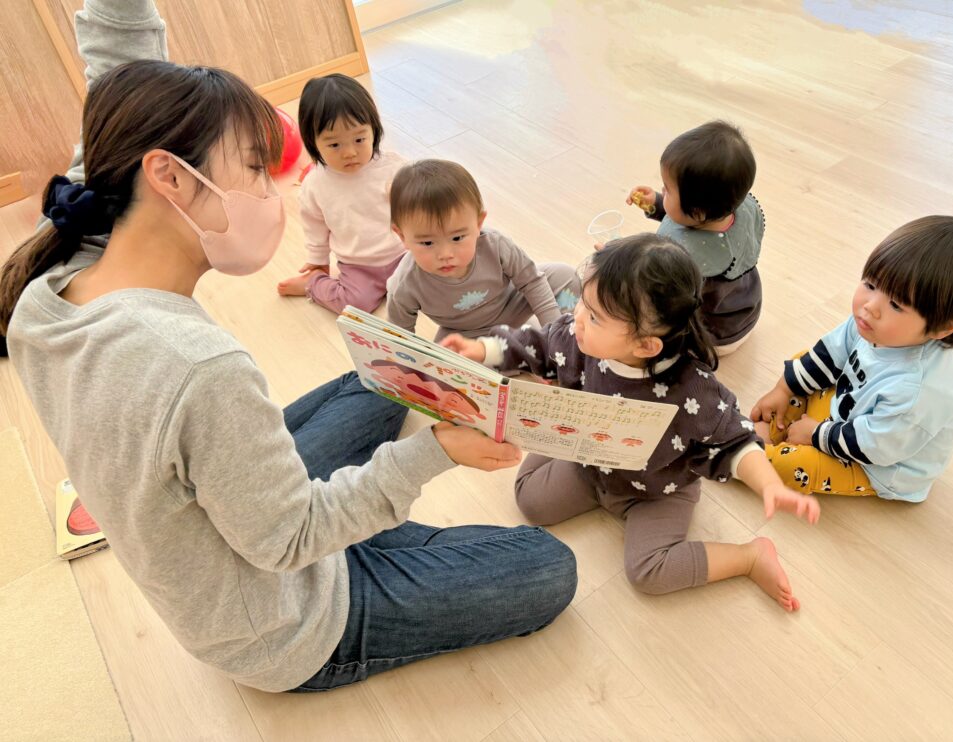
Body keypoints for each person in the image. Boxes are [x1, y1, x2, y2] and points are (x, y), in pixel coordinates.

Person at [0, 0, 575, 693]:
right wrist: (437, 452)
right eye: (253, 167)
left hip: (235, 525)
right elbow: (290, 540)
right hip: (284, 621)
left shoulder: (70, 249)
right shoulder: (196, 367)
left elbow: (116, 71)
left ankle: (363, 515)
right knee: (548, 566)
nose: (271, 188)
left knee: (379, 379)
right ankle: (369, 531)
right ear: (170, 176)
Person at [444, 235, 820, 611]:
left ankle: (749, 557)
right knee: (530, 501)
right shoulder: (577, 338)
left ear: (645, 346)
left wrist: (769, 484)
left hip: (658, 490)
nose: (577, 318)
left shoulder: (692, 392)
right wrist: (481, 350)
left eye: (594, 317)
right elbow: (536, 344)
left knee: (648, 573)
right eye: (583, 302)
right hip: (591, 463)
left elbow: (734, 441)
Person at [750, 216, 953, 502]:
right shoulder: (873, 323)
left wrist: (816, 435)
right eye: (871, 284)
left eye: (895, 304)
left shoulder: (918, 391)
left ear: (944, 327)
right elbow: (830, 353)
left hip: (875, 463)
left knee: (792, 467)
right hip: (853, 414)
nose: (870, 306)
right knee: (807, 364)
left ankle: (755, 452)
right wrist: (783, 389)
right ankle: (784, 425)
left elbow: (873, 447)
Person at [386, 159, 579, 340]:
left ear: (479, 223)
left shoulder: (495, 244)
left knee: (564, 276)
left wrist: (554, 335)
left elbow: (532, 282)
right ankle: (516, 347)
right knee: (446, 359)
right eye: (427, 243)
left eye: (457, 238)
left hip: (512, 304)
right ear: (402, 236)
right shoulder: (404, 284)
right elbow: (400, 336)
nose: (445, 254)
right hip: (465, 333)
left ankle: (558, 338)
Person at [626, 120, 764, 355]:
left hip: (715, 336)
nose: (662, 190)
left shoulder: (690, 257)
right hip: (745, 313)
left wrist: (619, 259)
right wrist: (657, 203)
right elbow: (683, 218)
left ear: (697, 212)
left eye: (667, 190)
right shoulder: (732, 208)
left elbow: (656, 288)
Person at [276, 74, 406, 313]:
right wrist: (318, 262)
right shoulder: (316, 184)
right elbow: (314, 225)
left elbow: (422, 203)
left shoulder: (392, 167)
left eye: (359, 139)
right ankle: (313, 284)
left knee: (437, 282)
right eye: (334, 144)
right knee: (355, 305)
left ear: (374, 131)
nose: (349, 153)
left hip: (404, 254)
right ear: (313, 142)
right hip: (359, 266)